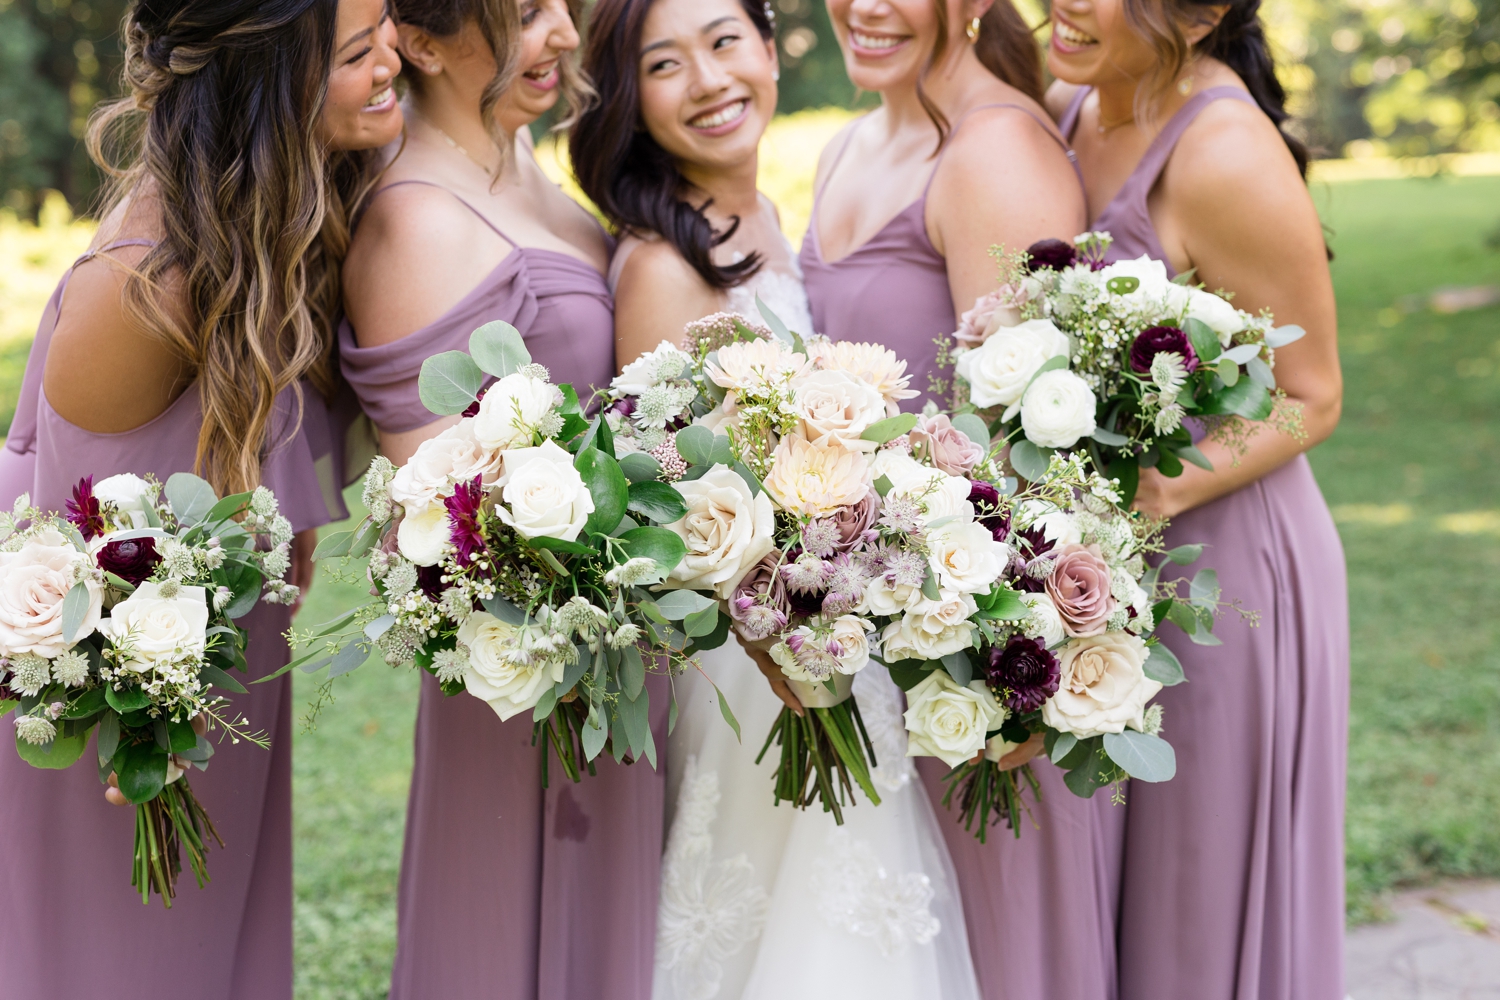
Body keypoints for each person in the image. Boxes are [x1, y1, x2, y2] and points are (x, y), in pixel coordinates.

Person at [573, 3, 980, 998]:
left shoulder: (751, 219)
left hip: (818, 639)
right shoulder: (665, 268)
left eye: (724, 41)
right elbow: (673, 518)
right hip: (760, 666)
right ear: (630, 99)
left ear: (767, 45)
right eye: (665, 64)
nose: (710, 80)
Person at [0, 0, 402, 997]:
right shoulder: (147, 284)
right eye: (359, 52)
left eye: (388, 23)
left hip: (212, 648)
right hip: (109, 700)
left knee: (211, 946)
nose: (396, 55)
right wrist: (144, 724)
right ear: (273, 97)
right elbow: (67, 546)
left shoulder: (272, 227)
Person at [798, 2, 1126, 998]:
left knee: (1004, 955)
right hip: (883, 645)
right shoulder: (854, 142)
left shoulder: (997, 156)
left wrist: (1008, 667)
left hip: (981, 666)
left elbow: (1049, 457)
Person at [336, 2, 664, 997]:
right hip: (530, 675)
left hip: (622, 645)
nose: (564, 34)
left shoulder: (531, 172)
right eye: (525, 15)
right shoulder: (414, 219)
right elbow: (441, 527)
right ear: (423, 42)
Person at [1045, 0, 1348, 995]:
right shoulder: (1072, 100)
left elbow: (1315, 394)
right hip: (1108, 570)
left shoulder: (1222, 152)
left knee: (1193, 898)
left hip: (1224, 572)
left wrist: (1161, 483)